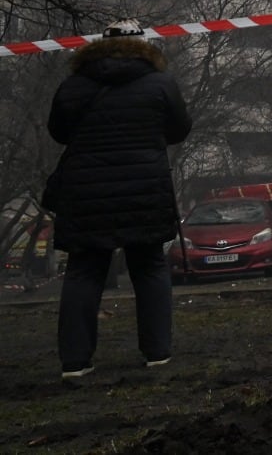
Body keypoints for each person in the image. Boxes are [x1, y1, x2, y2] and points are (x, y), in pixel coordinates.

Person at [48, 20, 192, 378]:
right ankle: (157, 352)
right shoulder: (160, 84)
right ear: (144, 48)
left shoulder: (73, 86)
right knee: (149, 267)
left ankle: (75, 362)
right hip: (144, 188)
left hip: (86, 192)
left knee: (83, 271)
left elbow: (58, 133)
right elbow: (179, 130)